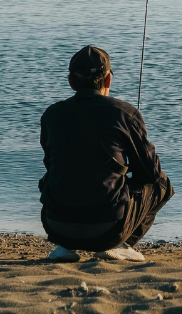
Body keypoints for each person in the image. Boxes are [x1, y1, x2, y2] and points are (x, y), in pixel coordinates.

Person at [39, 45, 174, 262]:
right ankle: (122, 244)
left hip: (56, 225)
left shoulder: (51, 115)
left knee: (57, 177)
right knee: (161, 184)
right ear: (108, 80)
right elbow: (151, 174)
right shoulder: (125, 113)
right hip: (109, 231)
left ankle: (64, 248)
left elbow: (51, 165)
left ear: (70, 81)